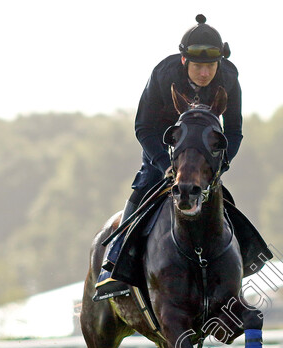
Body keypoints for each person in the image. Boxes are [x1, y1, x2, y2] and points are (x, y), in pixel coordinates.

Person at [94, 14, 243, 301]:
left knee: (223, 201)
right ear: (184, 61)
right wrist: (165, 165)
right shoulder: (163, 75)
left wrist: (221, 164)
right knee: (142, 187)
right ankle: (112, 265)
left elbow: (234, 131)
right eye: (198, 66)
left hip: (203, 154)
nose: (204, 73)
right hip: (164, 148)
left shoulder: (230, 78)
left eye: (211, 66)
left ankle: (246, 254)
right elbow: (143, 127)